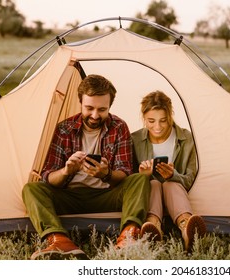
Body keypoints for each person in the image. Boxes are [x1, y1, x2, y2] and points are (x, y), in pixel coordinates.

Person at [22, 74, 150, 260]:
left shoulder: (119, 127)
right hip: (70, 196)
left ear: (110, 107)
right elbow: (49, 177)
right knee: (31, 189)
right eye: (89, 108)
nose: (95, 115)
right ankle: (59, 240)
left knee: (139, 179)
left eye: (102, 109)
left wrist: (105, 174)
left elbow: (125, 172)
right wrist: (67, 171)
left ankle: (128, 237)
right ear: (80, 102)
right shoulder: (64, 129)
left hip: (106, 195)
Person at [131, 90, 206, 252]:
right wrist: (142, 176)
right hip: (150, 193)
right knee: (155, 184)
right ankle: (154, 226)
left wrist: (173, 175)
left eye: (163, 120)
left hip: (177, 193)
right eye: (151, 121)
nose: (157, 127)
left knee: (169, 184)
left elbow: (190, 178)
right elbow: (128, 181)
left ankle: (187, 228)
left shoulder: (186, 138)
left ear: (170, 115)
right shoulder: (134, 140)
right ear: (143, 118)